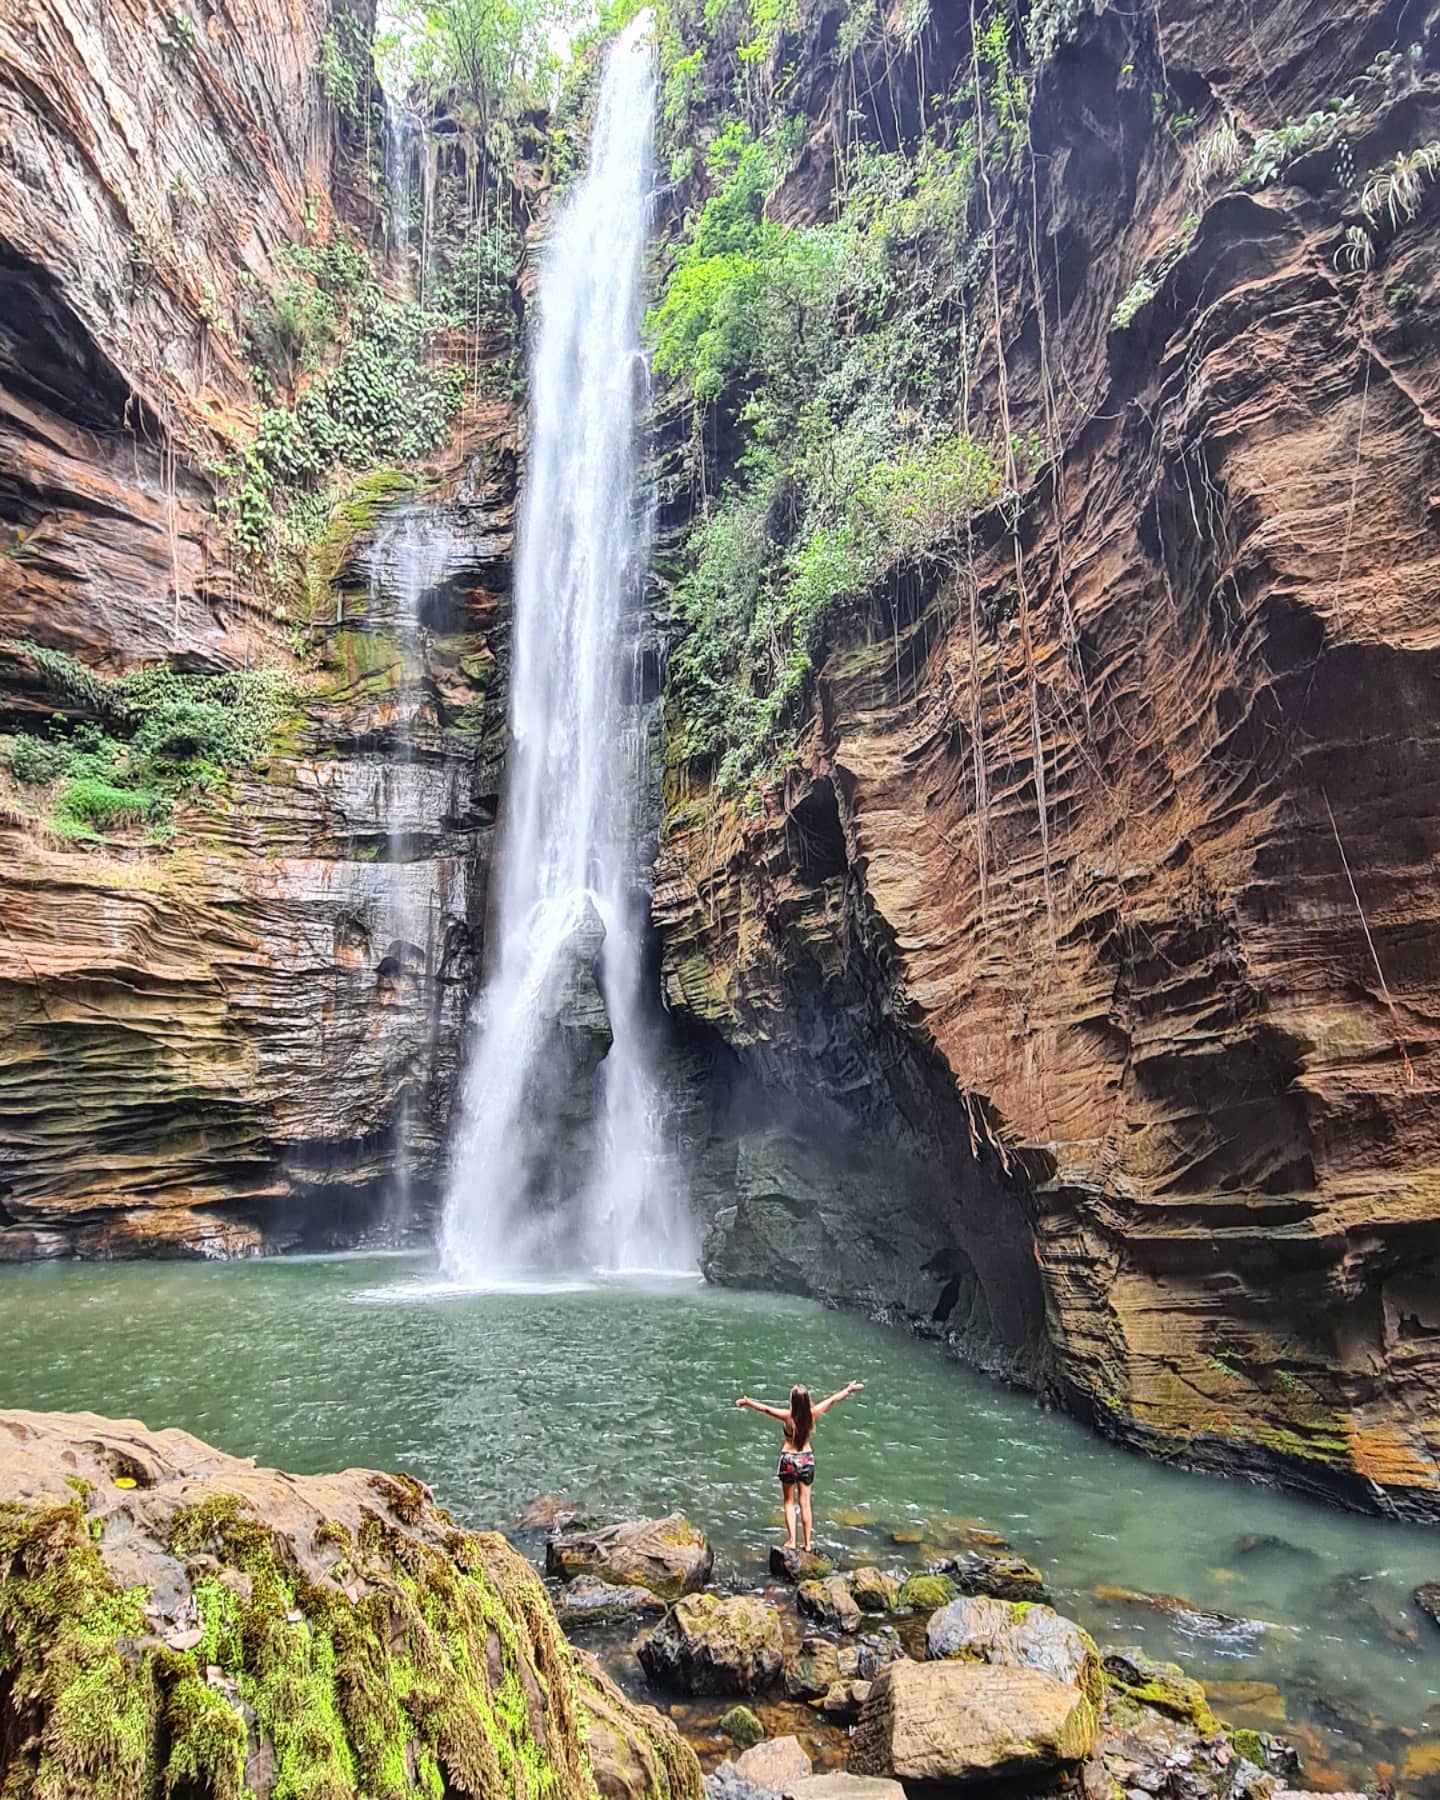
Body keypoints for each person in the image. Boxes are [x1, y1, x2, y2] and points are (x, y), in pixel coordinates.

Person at [734, 1380, 864, 1552]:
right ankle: (808, 1543)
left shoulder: (787, 1416)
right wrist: (849, 1389)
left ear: (793, 1401)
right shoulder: (812, 1414)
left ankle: (792, 1540)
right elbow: (832, 1400)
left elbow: (766, 1409)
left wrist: (748, 1402)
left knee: (789, 1502)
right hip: (806, 1460)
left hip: (789, 1459)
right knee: (805, 1503)